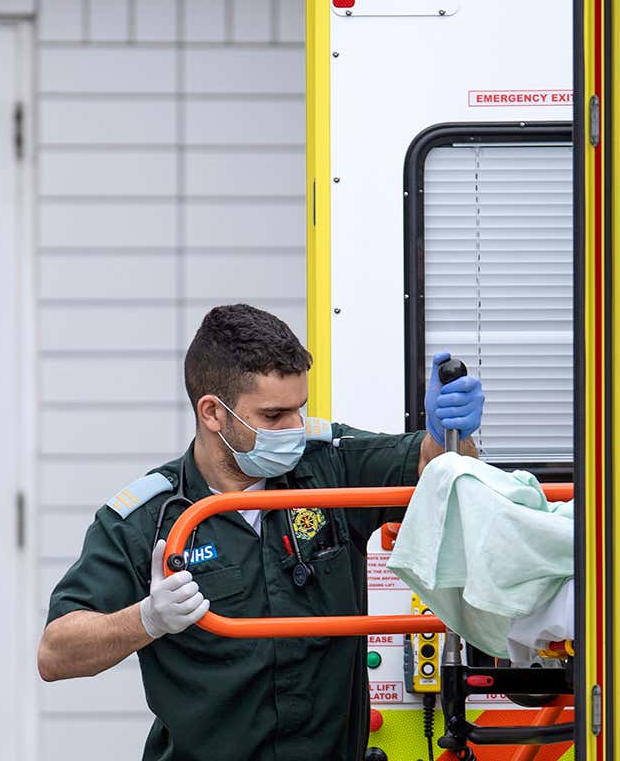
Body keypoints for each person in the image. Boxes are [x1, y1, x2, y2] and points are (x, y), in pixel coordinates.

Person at [37, 303, 485, 761]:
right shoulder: (148, 518)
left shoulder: (330, 464)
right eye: (273, 416)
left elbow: (437, 469)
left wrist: (451, 433)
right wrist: (148, 619)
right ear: (212, 413)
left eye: (299, 409)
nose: (293, 428)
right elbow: (56, 653)